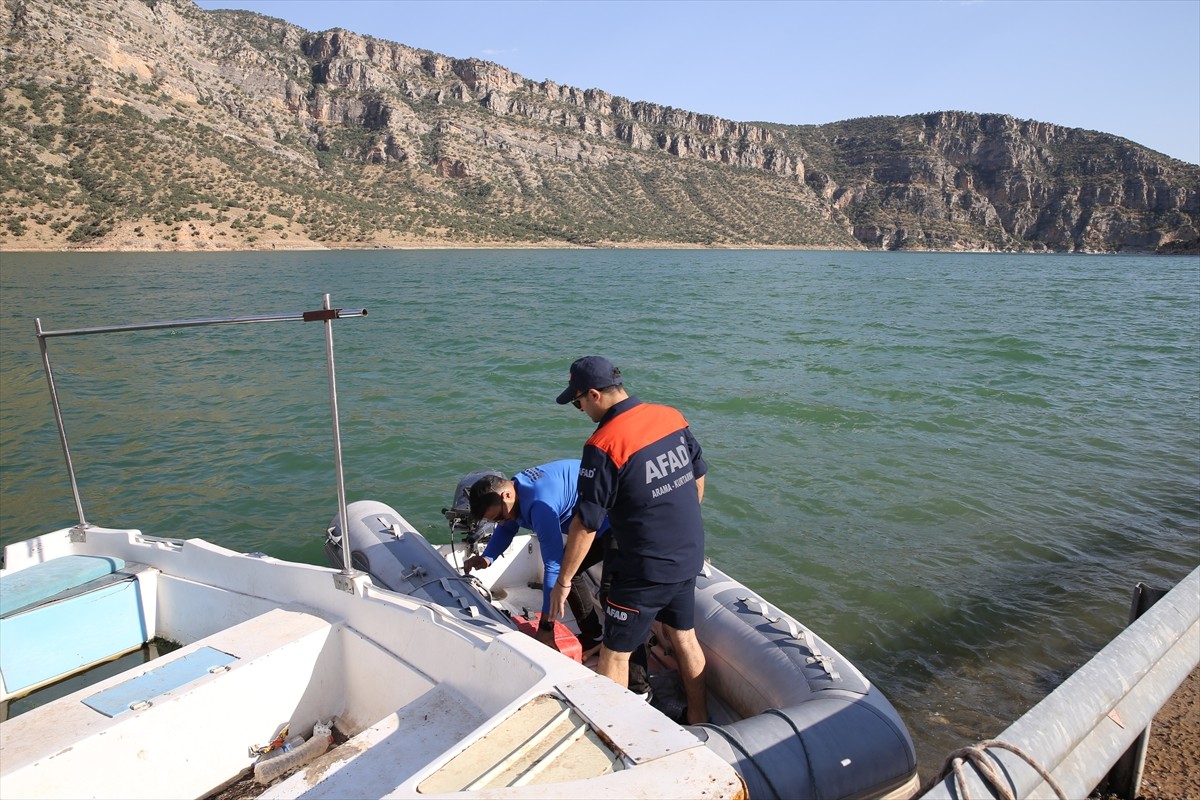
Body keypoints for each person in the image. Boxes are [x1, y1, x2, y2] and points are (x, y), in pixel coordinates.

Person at [548, 356, 709, 724]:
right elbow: (698, 476)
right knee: (684, 637)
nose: (581, 410)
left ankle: (616, 734)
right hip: (687, 555)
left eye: (578, 402)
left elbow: (587, 523)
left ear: (593, 395)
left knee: (614, 653)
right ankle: (700, 719)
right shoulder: (671, 416)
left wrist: (564, 581)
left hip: (644, 568)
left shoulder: (603, 444)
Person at [462, 460, 608, 651]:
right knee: (570, 570)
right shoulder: (515, 494)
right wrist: (487, 557)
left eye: (498, 517)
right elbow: (507, 529)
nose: (500, 522)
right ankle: (594, 636)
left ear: (506, 495)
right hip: (587, 519)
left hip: (613, 518)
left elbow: (553, 568)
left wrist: (546, 627)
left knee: (579, 576)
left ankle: (615, 646)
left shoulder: (540, 507)